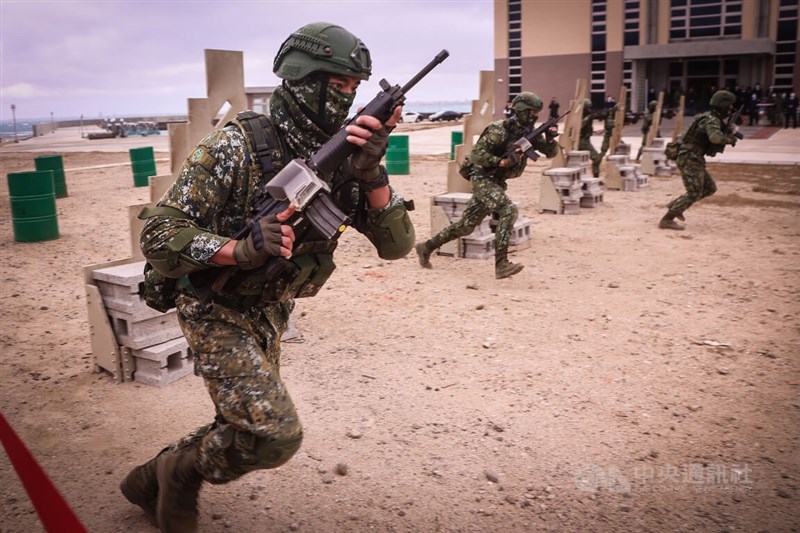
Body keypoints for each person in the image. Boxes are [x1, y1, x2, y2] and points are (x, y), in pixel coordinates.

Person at [120, 22, 415, 532]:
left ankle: (150, 480)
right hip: (214, 304)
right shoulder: (237, 145)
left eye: (354, 90)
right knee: (274, 433)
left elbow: (398, 246)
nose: (347, 101)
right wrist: (238, 249)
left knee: (241, 421)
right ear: (304, 79)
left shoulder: (348, 155)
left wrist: (372, 174)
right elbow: (160, 232)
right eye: (338, 87)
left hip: (271, 308)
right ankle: (177, 474)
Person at [414, 92, 558, 279]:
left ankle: (426, 247)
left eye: (537, 113)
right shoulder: (499, 130)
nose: (535, 116)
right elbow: (476, 155)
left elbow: (551, 153)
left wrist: (551, 139)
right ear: (521, 110)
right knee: (509, 210)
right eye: (532, 112)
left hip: (496, 182)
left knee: (466, 226)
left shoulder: (530, 133)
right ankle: (501, 264)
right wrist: (501, 162)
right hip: (482, 177)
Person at [659, 90, 739, 231]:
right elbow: (715, 138)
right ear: (722, 105)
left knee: (709, 188)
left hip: (694, 157)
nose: (731, 109)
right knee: (694, 192)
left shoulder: (710, 118)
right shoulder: (711, 120)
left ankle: (677, 205)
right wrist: (729, 139)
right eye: (729, 106)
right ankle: (667, 219)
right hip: (689, 157)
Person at [578, 98, 602, 178]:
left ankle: (593, 177)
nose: (589, 110)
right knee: (596, 158)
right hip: (582, 141)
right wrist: (589, 117)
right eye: (588, 108)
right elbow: (579, 126)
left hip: (586, 140)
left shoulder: (587, 116)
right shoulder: (579, 116)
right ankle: (596, 177)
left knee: (580, 162)